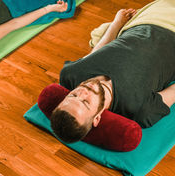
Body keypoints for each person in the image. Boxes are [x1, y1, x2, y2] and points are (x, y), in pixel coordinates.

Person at [50, 1, 175, 143]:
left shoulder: (71, 75)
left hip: (147, 19)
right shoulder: (140, 110)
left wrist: (116, 23)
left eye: (73, 95)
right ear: (97, 118)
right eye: (85, 102)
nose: (84, 91)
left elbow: (98, 50)